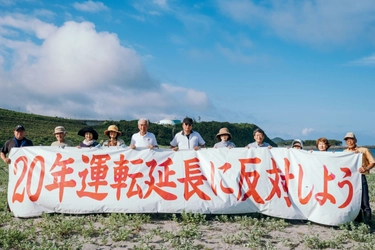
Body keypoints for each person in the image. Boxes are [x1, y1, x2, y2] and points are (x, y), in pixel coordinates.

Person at [343, 132, 375, 225]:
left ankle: (368, 223)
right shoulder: (345, 153)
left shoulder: (363, 150)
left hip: (361, 177)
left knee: (364, 201)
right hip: (350, 179)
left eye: (351, 139)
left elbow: (373, 162)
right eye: (347, 140)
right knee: (353, 201)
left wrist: (366, 168)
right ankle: (357, 221)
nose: (349, 141)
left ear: (355, 140)